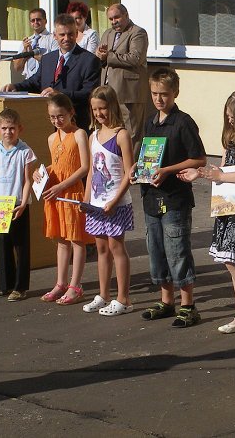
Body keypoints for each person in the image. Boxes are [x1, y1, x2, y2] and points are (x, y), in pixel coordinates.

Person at [178, 89, 235, 340]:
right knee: (228, 258)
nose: (230, 120)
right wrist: (200, 173)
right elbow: (222, 168)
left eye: (234, 116)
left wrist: (220, 175)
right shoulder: (229, 135)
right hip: (227, 199)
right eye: (228, 116)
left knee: (234, 259)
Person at [131, 68, 206, 327]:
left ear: (175, 93)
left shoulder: (183, 122)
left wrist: (168, 170)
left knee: (177, 251)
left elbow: (199, 158)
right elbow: (147, 156)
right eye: (154, 93)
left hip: (175, 198)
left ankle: (188, 306)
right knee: (157, 251)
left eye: (163, 94)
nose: (158, 98)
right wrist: (136, 168)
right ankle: (166, 301)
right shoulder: (150, 122)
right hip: (152, 196)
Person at [33, 93, 93, 305]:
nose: (56, 121)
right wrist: (40, 172)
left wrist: (61, 186)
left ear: (71, 113)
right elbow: (57, 164)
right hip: (55, 194)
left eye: (60, 116)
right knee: (61, 240)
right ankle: (60, 283)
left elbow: (85, 167)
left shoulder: (79, 134)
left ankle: (75, 285)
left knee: (76, 240)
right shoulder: (52, 138)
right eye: (52, 117)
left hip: (71, 192)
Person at [82, 85, 135, 316]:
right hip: (96, 203)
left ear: (112, 106)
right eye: (95, 109)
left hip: (116, 204)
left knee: (116, 246)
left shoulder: (121, 135)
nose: (98, 113)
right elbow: (91, 172)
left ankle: (123, 298)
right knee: (101, 247)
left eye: (102, 108)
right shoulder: (93, 136)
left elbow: (129, 173)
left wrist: (114, 202)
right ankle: (103, 295)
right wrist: (86, 199)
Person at [1, 13, 100, 131]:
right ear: (55, 36)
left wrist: (60, 94)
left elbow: (89, 93)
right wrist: (15, 87)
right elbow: (35, 82)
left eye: (70, 34)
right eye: (62, 35)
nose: (66, 38)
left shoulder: (89, 60)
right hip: (46, 124)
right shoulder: (48, 58)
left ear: (76, 34)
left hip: (75, 125)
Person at [0, 108, 36, 301]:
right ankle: (5, 285)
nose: (8, 132)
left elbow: (27, 180)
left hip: (17, 204)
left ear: (19, 129)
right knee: (3, 246)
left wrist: (24, 202)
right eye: (4, 128)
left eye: (12, 128)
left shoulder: (25, 151)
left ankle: (20, 287)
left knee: (20, 246)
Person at [96, 3, 149, 160]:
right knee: (112, 129)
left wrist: (108, 56)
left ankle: (131, 167)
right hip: (108, 91)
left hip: (128, 92)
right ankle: (116, 163)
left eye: (117, 17)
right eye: (111, 19)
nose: (114, 22)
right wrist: (99, 55)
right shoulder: (108, 33)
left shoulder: (138, 32)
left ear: (126, 15)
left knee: (132, 132)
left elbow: (135, 58)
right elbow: (102, 57)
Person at [12, 8, 59, 80]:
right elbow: (17, 68)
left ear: (45, 21)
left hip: (45, 80)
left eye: (38, 19)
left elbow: (54, 63)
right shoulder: (27, 42)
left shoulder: (53, 39)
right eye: (33, 20)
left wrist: (32, 54)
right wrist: (25, 52)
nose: (35, 22)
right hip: (28, 80)